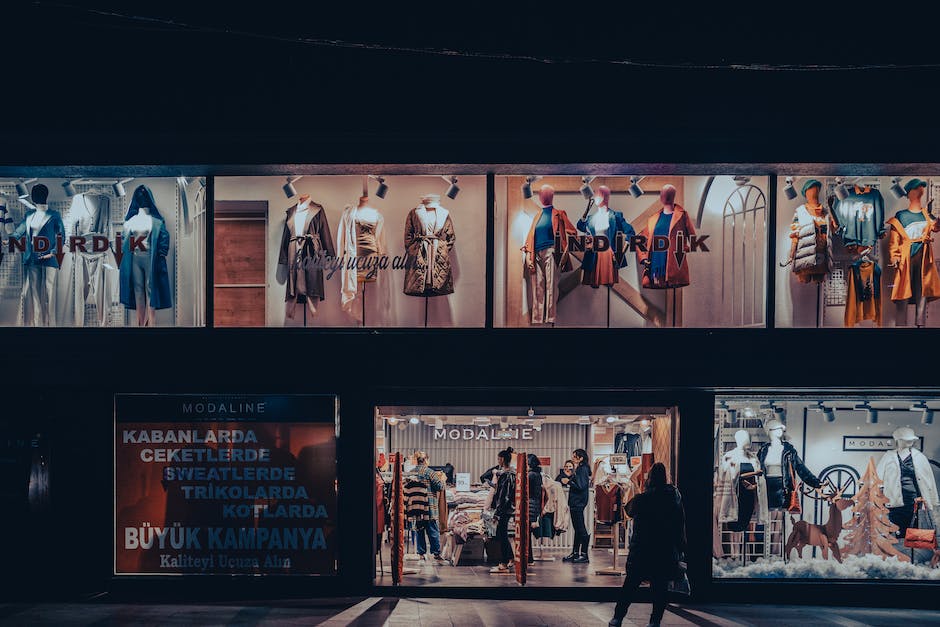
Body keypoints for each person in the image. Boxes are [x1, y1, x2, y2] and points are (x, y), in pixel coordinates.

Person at [609, 462, 687, 627]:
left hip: (642, 549)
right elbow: (680, 524)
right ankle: (654, 621)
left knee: (630, 586)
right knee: (660, 587)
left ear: (650, 478)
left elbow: (629, 510)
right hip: (664, 549)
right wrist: (681, 548)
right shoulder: (674, 497)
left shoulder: (643, 498)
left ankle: (617, 618)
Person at [412, 451, 445, 561]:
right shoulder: (430, 472)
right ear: (426, 460)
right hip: (429, 506)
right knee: (433, 531)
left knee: (419, 529)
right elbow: (440, 486)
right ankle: (436, 553)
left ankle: (421, 553)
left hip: (416, 507)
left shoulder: (412, 472)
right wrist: (443, 479)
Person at [489, 446, 516, 573]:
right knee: (503, 534)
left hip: (504, 509)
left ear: (502, 459)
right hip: (508, 509)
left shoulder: (506, 475)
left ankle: (504, 563)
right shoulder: (510, 473)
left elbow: (503, 496)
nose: (498, 460)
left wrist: (497, 512)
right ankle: (510, 558)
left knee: (501, 535)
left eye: (499, 458)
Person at [563, 449, 592, 563]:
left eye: (575, 457)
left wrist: (568, 481)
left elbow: (580, 485)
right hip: (577, 502)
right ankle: (575, 553)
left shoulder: (582, 469)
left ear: (581, 458)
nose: (573, 458)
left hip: (578, 502)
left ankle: (584, 555)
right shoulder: (581, 469)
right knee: (577, 528)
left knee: (580, 528)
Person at [527, 454, 543, 564]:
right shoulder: (538, 474)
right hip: (535, 506)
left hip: (530, 506)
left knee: (526, 535)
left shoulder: (531, 475)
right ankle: (529, 559)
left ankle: (529, 559)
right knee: (528, 535)